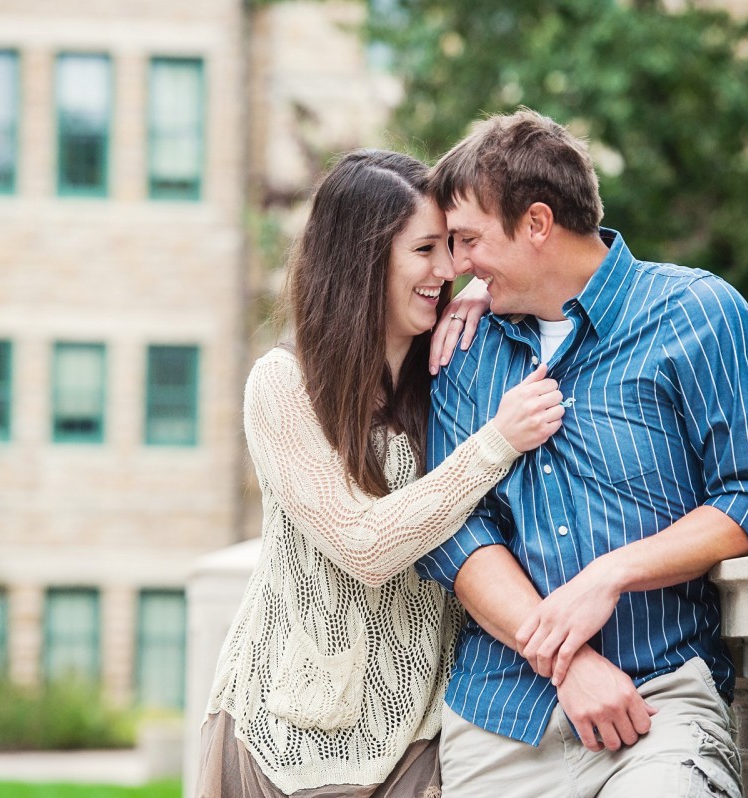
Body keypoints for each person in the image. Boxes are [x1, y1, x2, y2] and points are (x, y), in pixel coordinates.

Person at [416, 109, 748, 798]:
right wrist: (567, 663)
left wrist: (609, 575)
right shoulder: (463, 353)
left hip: (659, 703)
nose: (455, 268)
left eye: (467, 240)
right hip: (502, 719)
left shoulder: (700, 314)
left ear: (536, 223)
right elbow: (456, 532)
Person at [197, 149, 567, 797]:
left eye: (452, 247)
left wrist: (491, 287)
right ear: (365, 261)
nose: (446, 269)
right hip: (284, 741)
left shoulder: (452, 374)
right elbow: (364, 546)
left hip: (418, 737)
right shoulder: (285, 387)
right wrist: (495, 444)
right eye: (425, 250)